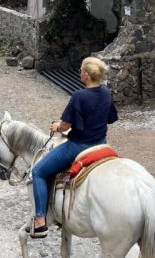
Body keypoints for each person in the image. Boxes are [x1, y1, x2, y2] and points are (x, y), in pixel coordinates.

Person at [29, 56, 118, 238]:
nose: (79, 73)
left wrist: (56, 127)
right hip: (101, 144)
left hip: (78, 146)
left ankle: (39, 220)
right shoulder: (106, 93)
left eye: (80, 71)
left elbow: (66, 126)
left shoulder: (79, 96)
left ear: (85, 75)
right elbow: (110, 118)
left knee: (38, 171)